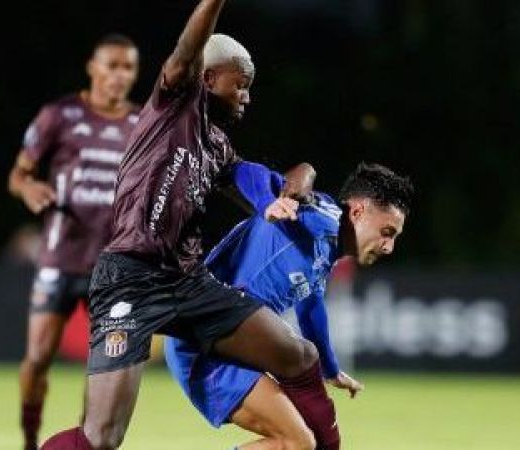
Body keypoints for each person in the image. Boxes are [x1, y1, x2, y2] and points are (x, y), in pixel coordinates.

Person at [41, 1, 343, 449]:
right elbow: (188, 48)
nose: (247, 97)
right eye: (240, 85)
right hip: (130, 278)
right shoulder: (174, 105)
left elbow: (280, 177)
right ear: (207, 78)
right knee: (102, 437)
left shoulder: (217, 147)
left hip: (187, 282)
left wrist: (291, 190)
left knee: (298, 355)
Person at [165, 162, 414, 449]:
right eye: (387, 231)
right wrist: (282, 190)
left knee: (302, 442)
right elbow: (249, 172)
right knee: (301, 440)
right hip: (202, 344)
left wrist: (330, 369)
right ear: (358, 212)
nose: (389, 246)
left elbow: (310, 309)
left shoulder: (326, 247)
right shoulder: (314, 216)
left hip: (225, 344)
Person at [7, 33, 141, 450]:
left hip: (112, 267)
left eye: (128, 67)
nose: (120, 75)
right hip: (60, 258)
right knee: (36, 359)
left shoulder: (142, 124)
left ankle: (85, 443)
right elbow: (18, 174)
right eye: (112, 65)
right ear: (92, 68)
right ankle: (30, 438)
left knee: (100, 371)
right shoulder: (60, 115)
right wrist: (28, 188)